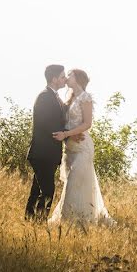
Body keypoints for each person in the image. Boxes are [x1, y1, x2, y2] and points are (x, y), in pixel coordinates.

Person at [48, 68, 113, 225]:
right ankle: (71, 220)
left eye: (69, 75)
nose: (66, 78)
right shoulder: (69, 99)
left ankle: (76, 222)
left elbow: (87, 123)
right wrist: (66, 135)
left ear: (77, 78)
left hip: (82, 146)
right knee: (74, 184)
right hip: (70, 148)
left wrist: (66, 134)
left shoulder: (85, 97)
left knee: (75, 184)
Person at [25, 64, 82, 220]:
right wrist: (68, 135)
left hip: (48, 154)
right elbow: (48, 124)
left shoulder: (55, 97)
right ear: (54, 79)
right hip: (42, 153)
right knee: (48, 191)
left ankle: (29, 221)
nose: (64, 79)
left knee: (37, 190)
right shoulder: (44, 96)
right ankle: (39, 223)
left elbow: (62, 119)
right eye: (62, 76)